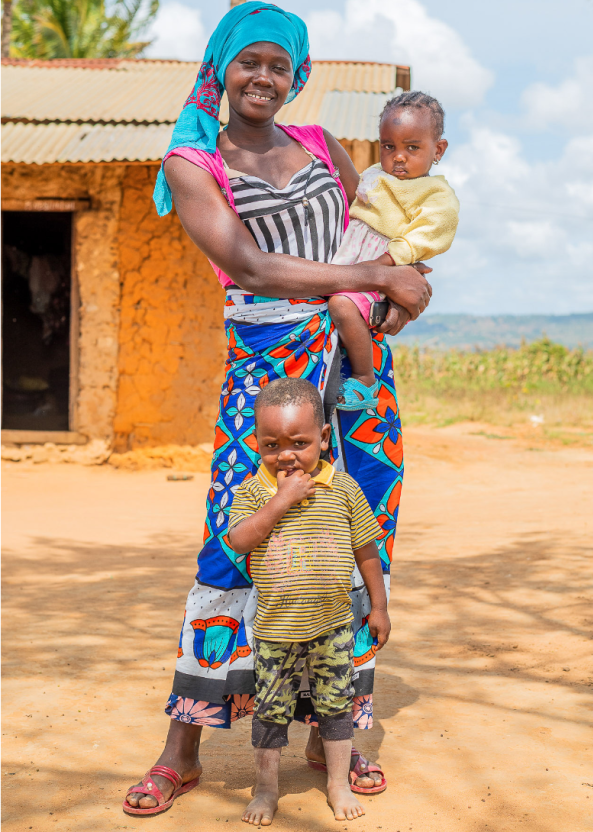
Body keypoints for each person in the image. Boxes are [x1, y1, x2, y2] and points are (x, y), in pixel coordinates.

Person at [123, 1, 432, 817]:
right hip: (266, 377)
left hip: (358, 371)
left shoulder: (323, 145)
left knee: (355, 527)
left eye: (281, 65)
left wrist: (402, 291)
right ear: (223, 66)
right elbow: (249, 266)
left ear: (297, 77)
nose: (265, 77)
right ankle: (183, 745)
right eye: (250, 60)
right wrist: (370, 285)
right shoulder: (194, 160)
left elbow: (379, 233)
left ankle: (338, 726)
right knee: (234, 542)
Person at [228, 378, 391, 826]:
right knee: (270, 712)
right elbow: (239, 540)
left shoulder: (344, 490)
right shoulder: (252, 493)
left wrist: (378, 607)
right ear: (256, 443)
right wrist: (280, 501)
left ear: (322, 438)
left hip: (334, 625)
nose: (286, 454)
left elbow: (367, 553)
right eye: (271, 444)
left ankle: (337, 783)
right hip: (275, 631)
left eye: (299, 443)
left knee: (336, 707)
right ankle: (266, 789)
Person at [328, 91, 460, 410]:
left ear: (438, 149)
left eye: (412, 148)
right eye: (389, 146)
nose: (398, 156)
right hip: (352, 259)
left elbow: (424, 237)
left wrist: (384, 264)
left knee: (342, 305)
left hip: (381, 269)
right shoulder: (376, 174)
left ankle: (364, 381)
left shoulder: (437, 195)